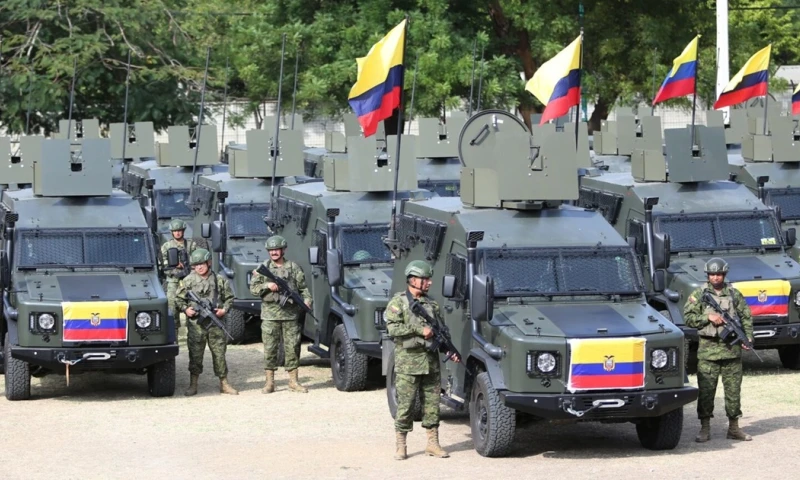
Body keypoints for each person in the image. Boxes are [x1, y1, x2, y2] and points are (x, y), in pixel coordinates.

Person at [385, 260, 459, 461]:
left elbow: (439, 333)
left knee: (432, 406)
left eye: (429, 279)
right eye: (425, 279)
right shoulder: (398, 302)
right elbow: (393, 329)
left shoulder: (432, 305)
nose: (429, 283)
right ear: (413, 280)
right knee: (406, 406)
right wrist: (420, 330)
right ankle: (401, 445)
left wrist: (449, 350)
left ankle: (432, 444)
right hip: (408, 364)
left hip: (431, 364)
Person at [684, 257, 753, 443]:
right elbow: (688, 318)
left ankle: (734, 428)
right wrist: (708, 317)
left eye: (719, 274)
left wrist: (748, 338)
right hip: (708, 353)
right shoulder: (699, 294)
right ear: (707, 275)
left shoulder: (734, 294)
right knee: (706, 393)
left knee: (733, 393)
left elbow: (746, 317)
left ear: (724, 274)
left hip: (731, 352)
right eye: (712, 274)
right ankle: (705, 428)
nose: (715, 277)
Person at [249, 235, 312, 394]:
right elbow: (253, 289)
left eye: (277, 249)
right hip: (270, 316)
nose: (274, 252)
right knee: (270, 349)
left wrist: (307, 301)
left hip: (290, 316)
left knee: (293, 347)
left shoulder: (293, 267)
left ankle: (293, 381)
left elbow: (303, 289)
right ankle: (269, 383)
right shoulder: (262, 268)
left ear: (283, 250)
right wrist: (267, 285)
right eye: (271, 250)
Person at [175, 248, 239, 396]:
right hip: (196, 325)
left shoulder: (219, 280)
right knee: (195, 355)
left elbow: (230, 298)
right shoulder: (188, 281)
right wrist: (186, 309)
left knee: (219, 354)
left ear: (209, 262)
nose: (199, 267)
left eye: (202, 264)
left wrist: (224, 310)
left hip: (215, 324)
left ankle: (224, 383)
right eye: (196, 265)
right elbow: (178, 299)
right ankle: (193, 384)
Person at [160, 219, 197, 334]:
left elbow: (197, 260)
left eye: (179, 230)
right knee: (172, 309)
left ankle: (194, 336)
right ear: (171, 232)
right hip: (173, 282)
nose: (177, 233)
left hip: (189, 282)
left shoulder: (191, 245)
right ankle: (173, 336)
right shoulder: (166, 246)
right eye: (175, 231)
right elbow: (162, 263)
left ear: (183, 231)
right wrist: (174, 265)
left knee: (193, 308)